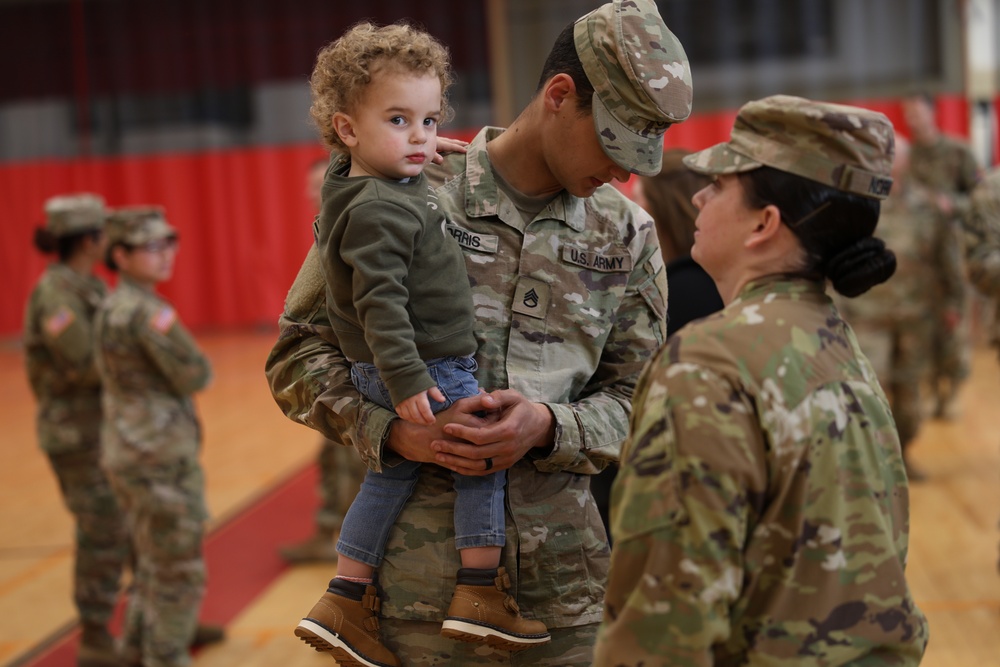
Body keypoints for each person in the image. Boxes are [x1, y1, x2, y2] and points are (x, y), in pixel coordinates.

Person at [265, 1, 692, 664]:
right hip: (409, 609)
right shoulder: (404, 186)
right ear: (558, 96)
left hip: (562, 609)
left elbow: (646, 405)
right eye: (613, 142)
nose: (624, 172)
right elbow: (296, 356)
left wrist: (548, 425)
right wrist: (393, 431)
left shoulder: (628, 236)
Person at [593, 95, 929, 665]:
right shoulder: (835, 342)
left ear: (763, 223)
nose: (698, 196)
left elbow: (663, 628)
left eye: (719, 185)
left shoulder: (709, 363)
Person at [293, 21, 549, 667]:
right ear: (348, 129)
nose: (423, 137)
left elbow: (368, 169)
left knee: (388, 478)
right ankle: (479, 590)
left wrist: (410, 155)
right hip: (428, 367)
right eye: (400, 120)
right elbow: (380, 303)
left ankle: (344, 597)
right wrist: (408, 381)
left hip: (414, 364)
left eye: (429, 120)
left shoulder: (359, 184)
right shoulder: (380, 208)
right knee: (482, 454)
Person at [94, 207, 215, 667]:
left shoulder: (114, 304)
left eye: (169, 243)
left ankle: (133, 649)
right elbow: (196, 373)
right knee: (177, 567)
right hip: (156, 453)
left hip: (129, 447)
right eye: (151, 247)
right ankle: (165, 657)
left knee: (150, 560)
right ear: (120, 256)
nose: (165, 254)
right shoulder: (146, 313)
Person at [591, 149, 723, 538]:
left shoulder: (677, 293)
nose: (632, 207)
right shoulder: (720, 284)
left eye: (642, 198)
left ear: (667, 207)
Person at [23, 194, 130, 667]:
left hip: (102, 429)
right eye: (103, 233)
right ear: (90, 241)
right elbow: (86, 363)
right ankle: (93, 636)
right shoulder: (57, 296)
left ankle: (162, 620)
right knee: (102, 529)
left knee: (129, 525)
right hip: (76, 436)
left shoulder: (88, 286)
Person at [837, 136, 965, 481]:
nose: (892, 164)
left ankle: (902, 455)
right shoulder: (858, 208)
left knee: (909, 396)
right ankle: (871, 463)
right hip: (867, 317)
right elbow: (836, 264)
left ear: (909, 163)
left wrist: (954, 305)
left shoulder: (930, 206)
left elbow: (948, 262)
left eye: (897, 157)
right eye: (885, 158)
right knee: (869, 394)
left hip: (916, 318)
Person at [278, 158, 365, 565]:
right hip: (330, 369)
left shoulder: (354, 231)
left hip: (359, 373)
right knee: (332, 456)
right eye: (312, 188)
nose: (314, 194)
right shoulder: (326, 233)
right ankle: (329, 530)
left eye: (320, 186)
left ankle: (355, 546)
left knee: (356, 465)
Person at [901, 91, 982, 419]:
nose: (913, 119)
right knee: (926, 323)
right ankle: (932, 390)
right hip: (920, 253)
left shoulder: (958, 152)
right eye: (908, 113)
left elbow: (981, 200)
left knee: (953, 320)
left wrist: (953, 206)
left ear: (932, 113)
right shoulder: (906, 156)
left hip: (952, 248)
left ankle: (953, 391)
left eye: (918, 112)